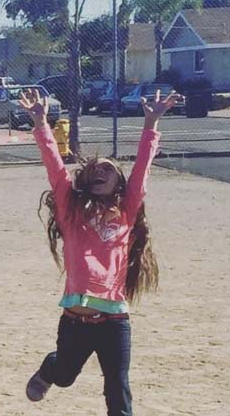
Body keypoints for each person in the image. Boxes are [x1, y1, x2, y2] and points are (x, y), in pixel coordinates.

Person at [20, 88, 175, 416]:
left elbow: (142, 172)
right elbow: (55, 168)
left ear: (119, 182)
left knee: (117, 386)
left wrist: (151, 123)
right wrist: (40, 123)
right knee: (64, 376)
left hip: (115, 320)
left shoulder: (127, 210)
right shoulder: (71, 211)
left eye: (107, 169)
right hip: (75, 322)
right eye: (94, 171)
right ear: (86, 182)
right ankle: (50, 369)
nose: (99, 172)